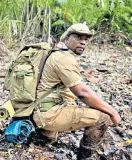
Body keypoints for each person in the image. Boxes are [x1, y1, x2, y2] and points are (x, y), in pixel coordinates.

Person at [30, 23, 121, 159]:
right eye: (78, 37)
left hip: (39, 108)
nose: (83, 42)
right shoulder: (64, 58)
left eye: (86, 39)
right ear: (66, 38)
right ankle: (85, 156)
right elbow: (82, 93)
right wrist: (112, 111)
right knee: (103, 118)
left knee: (71, 100)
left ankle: (44, 137)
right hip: (47, 114)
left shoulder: (55, 52)